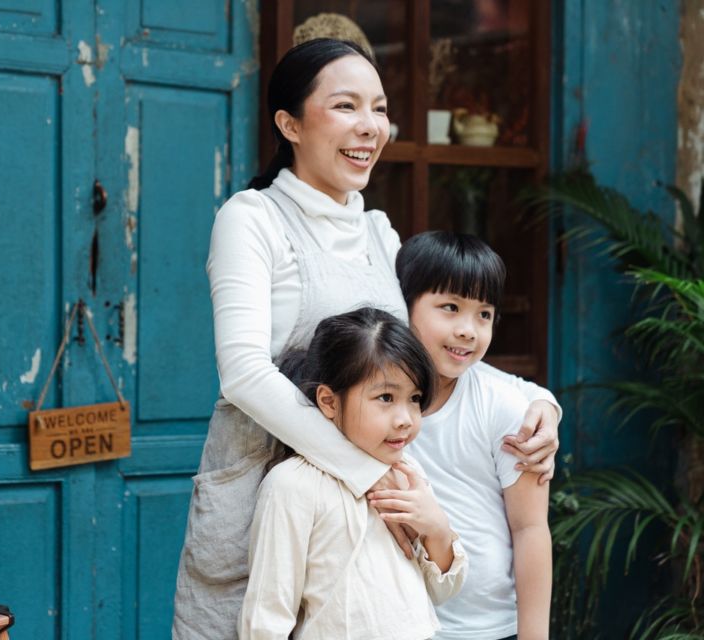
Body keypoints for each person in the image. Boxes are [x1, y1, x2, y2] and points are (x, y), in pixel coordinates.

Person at [172, 38, 559, 640]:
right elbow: (244, 373)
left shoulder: (379, 231)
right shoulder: (251, 219)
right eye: (347, 106)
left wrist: (539, 403)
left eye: (379, 108)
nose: (371, 126)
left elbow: (429, 349)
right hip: (265, 494)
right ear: (289, 123)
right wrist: (363, 470)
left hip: (364, 518)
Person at [240, 307, 467, 639]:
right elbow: (266, 616)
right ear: (329, 402)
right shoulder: (293, 485)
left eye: (415, 398)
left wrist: (437, 529)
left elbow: (441, 592)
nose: (405, 418)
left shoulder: (408, 474)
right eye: (386, 397)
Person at [371, 231, 552, 639]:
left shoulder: (504, 406)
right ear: (404, 306)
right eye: (450, 307)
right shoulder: (372, 403)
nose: (468, 330)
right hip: (400, 623)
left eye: (483, 314)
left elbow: (530, 529)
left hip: (488, 627)